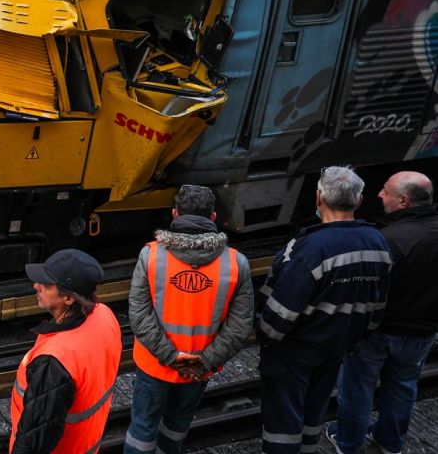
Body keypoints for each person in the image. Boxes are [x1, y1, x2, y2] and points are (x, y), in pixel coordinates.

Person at [257, 166, 392, 454]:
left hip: (295, 351)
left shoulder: (311, 248)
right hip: (337, 346)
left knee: (283, 421)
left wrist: (266, 336)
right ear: (358, 200)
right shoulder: (377, 242)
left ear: (318, 198)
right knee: (312, 415)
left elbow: (280, 314)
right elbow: (377, 304)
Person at [125, 185, 254, 454]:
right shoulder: (236, 263)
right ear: (214, 218)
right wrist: (203, 362)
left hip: (154, 366)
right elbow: (240, 325)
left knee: (142, 431)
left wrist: (170, 356)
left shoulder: (151, 255)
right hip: (197, 370)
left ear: (174, 214)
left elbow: (138, 314)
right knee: (176, 428)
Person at [326, 171, 438, 454]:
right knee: (403, 386)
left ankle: (348, 442)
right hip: (422, 331)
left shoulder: (386, 240)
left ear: (403, 201)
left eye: (385, 191)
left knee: (356, 389)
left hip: (379, 331)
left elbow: (365, 290)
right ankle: (390, 442)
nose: (379, 195)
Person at [9, 248, 122, 454]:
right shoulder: (104, 316)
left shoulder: (54, 361)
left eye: (46, 284)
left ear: (69, 299)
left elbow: (35, 440)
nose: (36, 286)